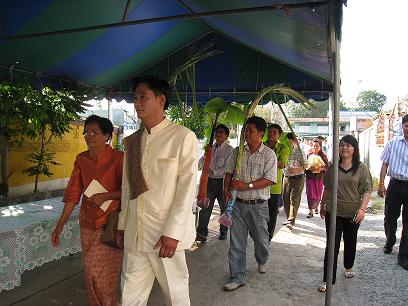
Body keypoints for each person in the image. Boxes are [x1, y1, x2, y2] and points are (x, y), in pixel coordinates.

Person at [117, 77, 198, 305]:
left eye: (143, 96)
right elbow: (127, 188)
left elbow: (186, 189)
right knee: (129, 297)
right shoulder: (132, 142)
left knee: (176, 296)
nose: (137, 102)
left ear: (161, 100)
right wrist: (123, 225)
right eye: (135, 98)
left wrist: (173, 232)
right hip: (135, 232)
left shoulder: (182, 137)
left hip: (165, 235)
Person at [51, 115, 124, 306]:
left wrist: (107, 196)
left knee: (103, 275)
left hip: (111, 225)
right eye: (86, 132)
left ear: (107, 136)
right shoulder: (81, 159)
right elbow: (73, 194)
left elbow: (131, 192)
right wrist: (60, 225)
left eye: (94, 132)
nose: (89, 136)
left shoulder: (119, 158)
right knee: (90, 274)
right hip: (87, 224)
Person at [223, 116, 277, 291]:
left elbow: (269, 179)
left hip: (259, 205)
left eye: (250, 131)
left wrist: (246, 186)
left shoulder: (269, 154)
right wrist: (226, 190)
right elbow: (229, 172)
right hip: (237, 204)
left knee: (261, 239)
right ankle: (237, 276)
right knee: (236, 242)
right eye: (245, 130)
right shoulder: (238, 151)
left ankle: (262, 259)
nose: (246, 133)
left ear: (260, 134)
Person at [318, 135, 372, 292]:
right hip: (333, 211)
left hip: (353, 212)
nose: (344, 148)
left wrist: (362, 209)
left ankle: (348, 266)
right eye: (342, 145)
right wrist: (322, 204)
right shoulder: (334, 166)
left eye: (348, 145)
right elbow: (328, 187)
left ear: (354, 149)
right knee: (332, 245)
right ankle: (328, 279)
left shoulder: (361, 168)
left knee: (350, 241)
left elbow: (367, 190)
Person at [378, 114, 408, 270]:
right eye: (407, 126)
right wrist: (381, 184)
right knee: (390, 216)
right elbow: (384, 165)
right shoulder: (392, 143)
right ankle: (390, 240)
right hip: (395, 185)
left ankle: (403, 256)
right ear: (402, 127)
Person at [196, 124, 233, 242]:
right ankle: (201, 234)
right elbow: (201, 162)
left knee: (224, 208)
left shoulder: (229, 150)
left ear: (226, 135)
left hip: (223, 182)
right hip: (209, 181)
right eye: (217, 132)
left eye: (221, 132)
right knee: (206, 207)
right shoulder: (210, 148)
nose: (218, 134)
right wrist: (204, 163)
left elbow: (228, 168)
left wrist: (213, 170)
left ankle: (223, 231)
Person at [265, 123, 290, 241]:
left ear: (279, 135)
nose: (271, 134)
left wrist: (266, 159)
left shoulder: (283, 148)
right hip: (258, 186)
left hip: (273, 188)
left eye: (274, 132)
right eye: (269, 131)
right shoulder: (261, 145)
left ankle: (268, 238)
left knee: (271, 215)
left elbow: (281, 164)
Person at [282, 133, 306, 229]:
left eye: (289, 141)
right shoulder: (284, 150)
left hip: (298, 178)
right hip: (287, 177)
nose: (287, 143)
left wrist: (296, 169)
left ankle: (291, 221)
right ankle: (289, 218)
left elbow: (306, 165)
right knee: (285, 199)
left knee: (294, 200)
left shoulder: (300, 151)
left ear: (294, 141)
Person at [305, 139, 329, 218]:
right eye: (313, 146)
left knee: (318, 194)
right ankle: (310, 210)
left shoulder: (323, 156)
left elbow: (327, 167)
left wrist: (320, 169)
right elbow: (305, 165)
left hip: (319, 178)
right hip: (310, 177)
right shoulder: (309, 155)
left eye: (317, 146)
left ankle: (316, 206)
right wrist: (309, 167)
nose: (315, 147)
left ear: (320, 147)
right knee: (310, 194)